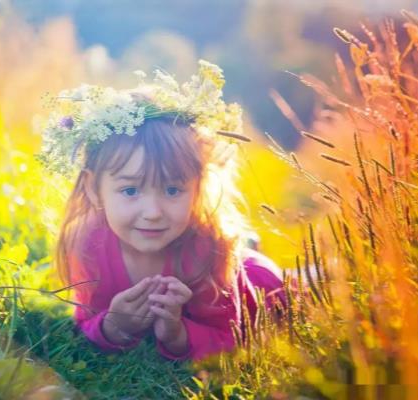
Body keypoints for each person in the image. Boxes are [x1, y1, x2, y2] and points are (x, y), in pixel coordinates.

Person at [39, 60, 286, 361]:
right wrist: (113, 326)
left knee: (286, 290)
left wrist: (178, 334)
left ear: (197, 187)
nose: (153, 212)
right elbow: (85, 322)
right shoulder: (89, 243)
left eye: (172, 190)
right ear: (94, 189)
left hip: (254, 281)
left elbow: (231, 339)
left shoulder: (209, 251)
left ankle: (275, 263)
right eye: (130, 190)